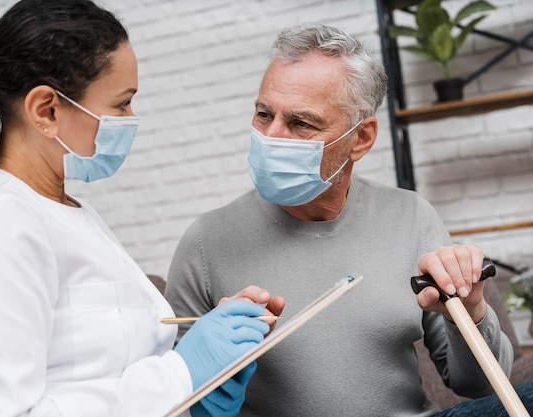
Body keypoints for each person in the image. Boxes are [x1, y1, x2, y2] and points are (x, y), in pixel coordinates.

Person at [0, 1, 284, 416]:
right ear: (47, 110)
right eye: (121, 103)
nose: (130, 118)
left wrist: (200, 383)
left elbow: (104, 365)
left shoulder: (67, 211)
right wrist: (181, 374)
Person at [165, 23, 533, 416]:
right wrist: (207, 381)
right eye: (263, 114)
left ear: (361, 139)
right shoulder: (205, 242)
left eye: (300, 123)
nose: (271, 136)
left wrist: (472, 310)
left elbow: (478, 386)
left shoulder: (411, 217)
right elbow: (169, 396)